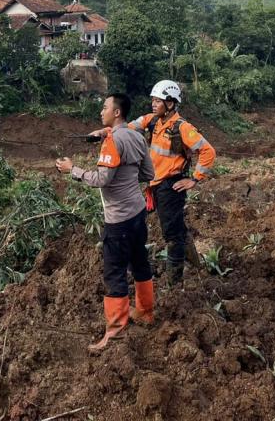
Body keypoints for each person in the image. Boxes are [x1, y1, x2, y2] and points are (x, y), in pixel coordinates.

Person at [55, 93, 155, 352]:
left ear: (117, 112)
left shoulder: (113, 141)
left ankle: (116, 332)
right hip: (137, 212)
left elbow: (101, 179)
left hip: (118, 219)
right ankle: (145, 312)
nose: (101, 112)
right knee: (140, 262)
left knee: (114, 273)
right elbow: (148, 173)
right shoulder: (136, 136)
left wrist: (72, 170)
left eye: (105, 107)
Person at [131, 80, 216, 286]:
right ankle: (197, 267)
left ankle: (174, 283)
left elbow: (208, 151)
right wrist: (105, 133)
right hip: (155, 184)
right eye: (152, 100)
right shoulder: (153, 121)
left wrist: (194, 179)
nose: (153, 104)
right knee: (175, 228)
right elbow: (129, 127)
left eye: (157, 101)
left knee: (172, 235)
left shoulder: (183, 128)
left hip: (171, 187)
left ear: (170, 104)